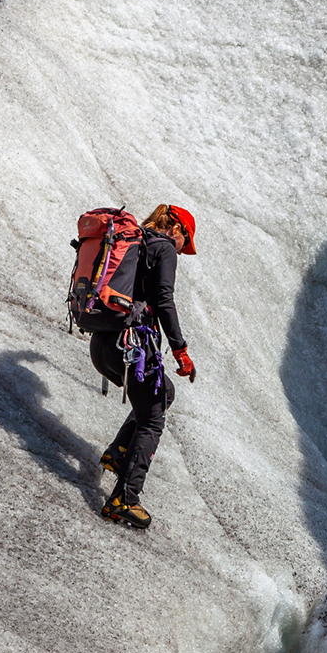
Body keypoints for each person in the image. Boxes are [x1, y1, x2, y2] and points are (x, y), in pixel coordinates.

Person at [89, 203, 196, 528]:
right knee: (152, 421)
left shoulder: (133, 244)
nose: (182, 249)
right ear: (175, 228)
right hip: (132, 349)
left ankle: (120, 452)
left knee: (164, 393)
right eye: (185, 241)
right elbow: (164, 300)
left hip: (103, 344)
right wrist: (181, 349)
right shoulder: (163, 248)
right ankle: (124, 499)